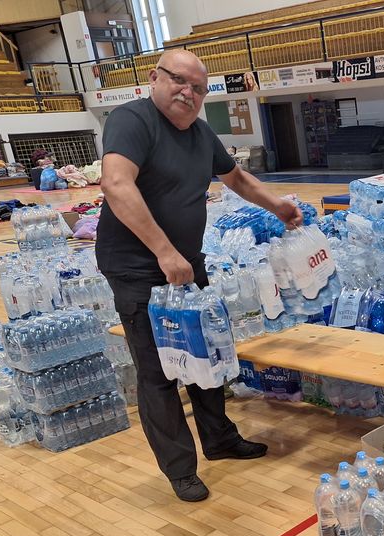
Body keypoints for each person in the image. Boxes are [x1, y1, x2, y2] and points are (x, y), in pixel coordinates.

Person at [97, 49, 300, 502]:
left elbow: (237, 179)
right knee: (159, 372)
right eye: (179, 81)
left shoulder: (200, 133)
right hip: (138, 268)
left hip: (186, 263)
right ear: (154, 77)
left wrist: (278, 206)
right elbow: (116, 184)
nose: (187, 93)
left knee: (206, 353)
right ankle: (180, 469)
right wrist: (164, 252)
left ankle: (220, 438)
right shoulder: (133, 121)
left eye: (198, 88)